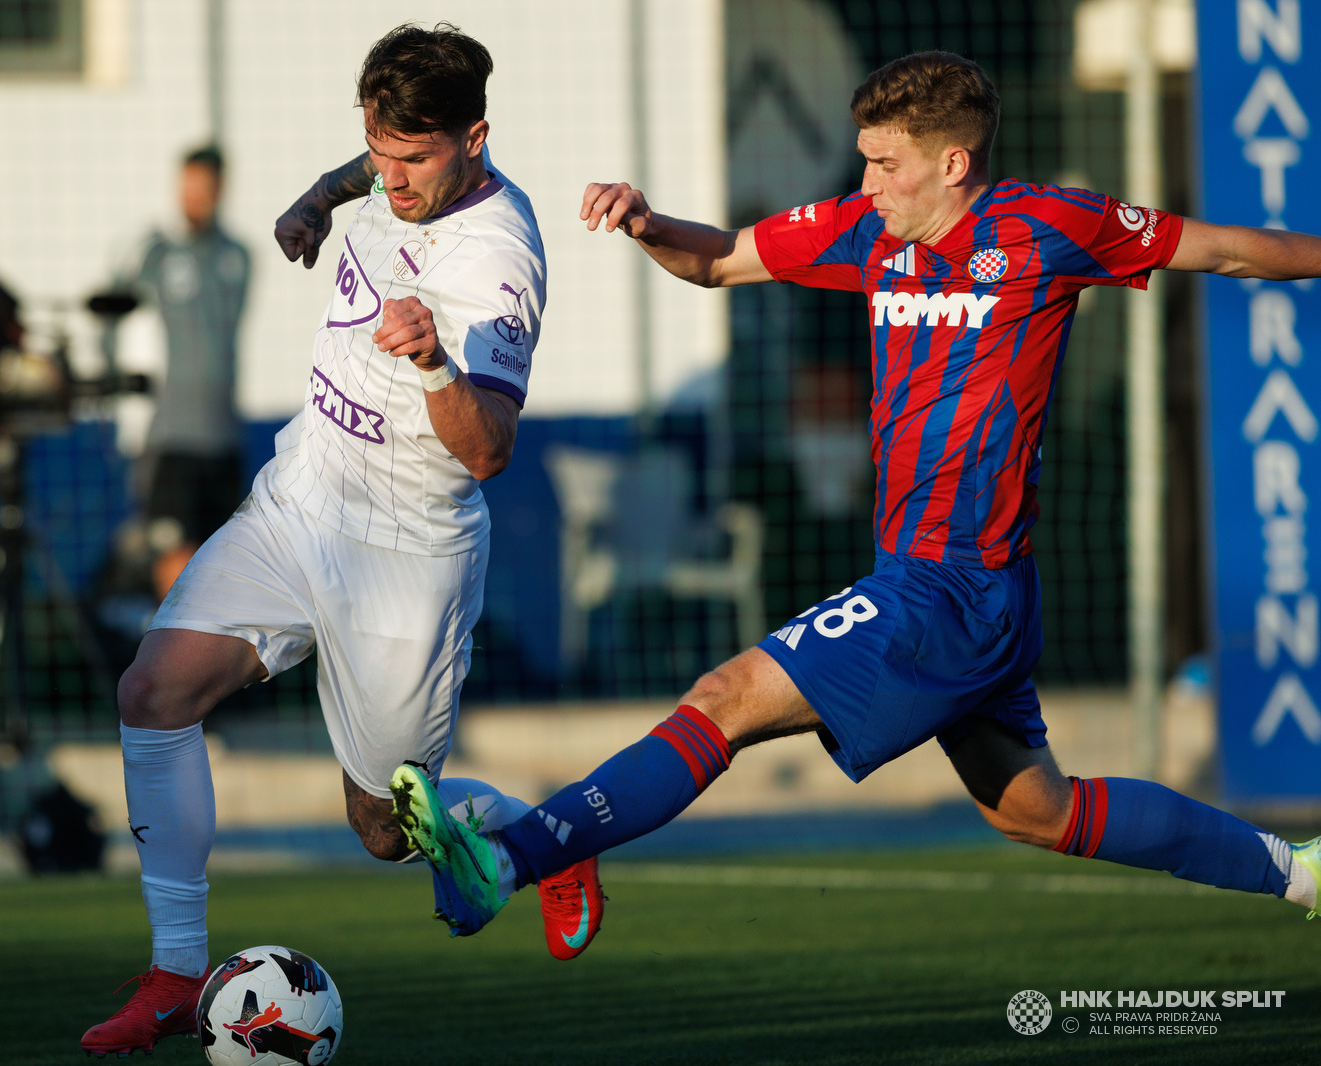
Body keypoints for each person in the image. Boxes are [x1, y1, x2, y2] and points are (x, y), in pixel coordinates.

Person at [391, 50, 1321, 945]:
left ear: (954, 162)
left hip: (950, 591)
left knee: (723, 699)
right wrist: (647, 222)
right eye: (866, 160)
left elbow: (1235, 251)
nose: (868, 183)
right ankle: (1300, 872)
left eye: (886, 163)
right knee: (1043, 811)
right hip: (946, 589)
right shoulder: (869, 230)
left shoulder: (1051, 227)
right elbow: (720, 260)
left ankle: (510, 862)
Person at [81, 23, 599, 1059]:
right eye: (378, 150)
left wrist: (434, 361)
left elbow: (489, 450)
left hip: (406, 554)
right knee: (153, 691)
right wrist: (323, 197)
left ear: (474, 139)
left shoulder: (499, 261)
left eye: (414, 159)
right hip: (302, 494)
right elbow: (369, 161)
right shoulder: (387, 164)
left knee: (380, 829)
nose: (391, 177)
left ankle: (546, 838)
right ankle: (180, 973)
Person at [123, 145, 253, 600]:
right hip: (170, 438)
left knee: (222, 564)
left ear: (220, 189)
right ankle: (169, 666)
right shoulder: (155, 254)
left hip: (223, 436)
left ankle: (208, 669)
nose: (193, 196)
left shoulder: (237, 256)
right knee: (174, 563)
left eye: (203, 186)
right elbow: (116, 319)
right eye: (187, 186)